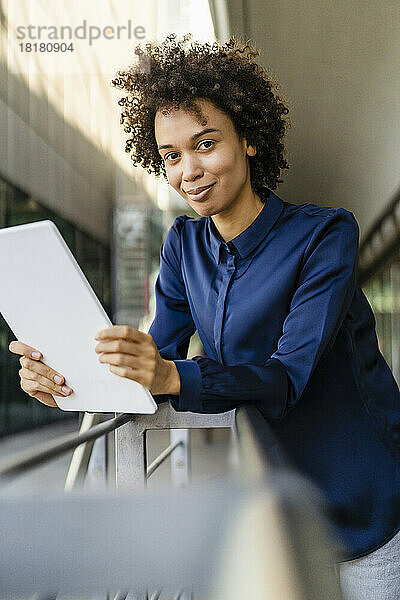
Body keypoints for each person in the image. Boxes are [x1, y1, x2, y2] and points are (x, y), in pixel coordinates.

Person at [9, 34, 400, 598]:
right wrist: (67, 380)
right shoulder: (183, 245)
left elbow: (285, 378)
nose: (188, 169)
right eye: (171, 156)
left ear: (248, 139)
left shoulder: (323, 235)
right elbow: (154, 358)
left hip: (367, 501)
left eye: (205, 143)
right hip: (275, 504)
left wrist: (170, 375)